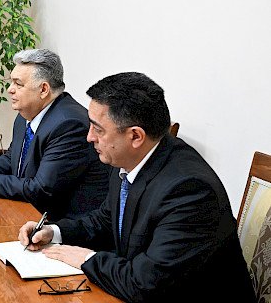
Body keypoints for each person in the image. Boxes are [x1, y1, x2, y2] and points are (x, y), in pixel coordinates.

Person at [19, 72, 254, 302]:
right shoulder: (127, 158)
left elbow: (144, 283)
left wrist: (87, 259)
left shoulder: (190, 190)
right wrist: (54, 232)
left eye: (98, 129)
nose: (89, 137)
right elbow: (106, 219)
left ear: (135, 136)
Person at [0, 49, 109, 219]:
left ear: (43, 89)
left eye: (18, 84)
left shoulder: (69, 125)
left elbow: (41, 189)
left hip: (63, 225)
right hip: (28, 214)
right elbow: (12, 159)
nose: (10, 90)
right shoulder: (25, 116)